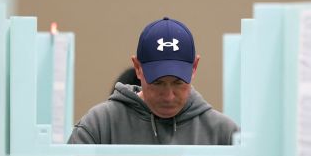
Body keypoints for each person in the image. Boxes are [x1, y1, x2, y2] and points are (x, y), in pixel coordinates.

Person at [68, 17, 239, 145]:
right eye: (157, 83)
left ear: (194, 67)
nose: (169, 96)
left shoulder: (223, 134)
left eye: (178, 82)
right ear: (137, 68)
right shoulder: (99, 127)